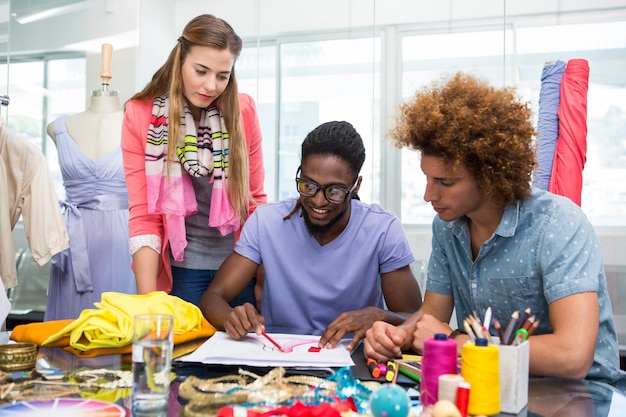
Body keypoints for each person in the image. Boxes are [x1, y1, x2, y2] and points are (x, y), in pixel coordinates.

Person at [364, 72, 626, 385]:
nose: (428, 195)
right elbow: (432, 317)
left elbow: (572, 356)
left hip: (580, 395)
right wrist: (397, 335)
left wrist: (463, 344)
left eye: (445, 182)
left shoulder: (558, 225)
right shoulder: (447, 228)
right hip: (493, 384)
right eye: (427, 178)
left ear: (489, 175)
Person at [200, 120, 422, 351]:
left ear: (356, 186)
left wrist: (379, 316)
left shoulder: (382, 229)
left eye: (334, 191)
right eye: (308, 185)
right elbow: (213, 297)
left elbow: (415, 319)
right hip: (278, 357)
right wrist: (230, 316)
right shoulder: (266, 222)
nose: (318, 201)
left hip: (354, 358)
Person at [121, 14, 266, 307]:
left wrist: (263, 275)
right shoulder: (141, 115)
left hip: (239, 265)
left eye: (222, 76)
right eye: (201, 71)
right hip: (182, 269)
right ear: (180, 61)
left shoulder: (243, 110)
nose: (211, 86)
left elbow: (255, 202)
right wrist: (149, 306)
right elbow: (145, 216)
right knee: (184, 352)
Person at [45, 87, 137, 321]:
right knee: (70, 318)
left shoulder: (138, 126)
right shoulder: (58, 128)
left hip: (123, 238)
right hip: (73, 236)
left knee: (117, 317)